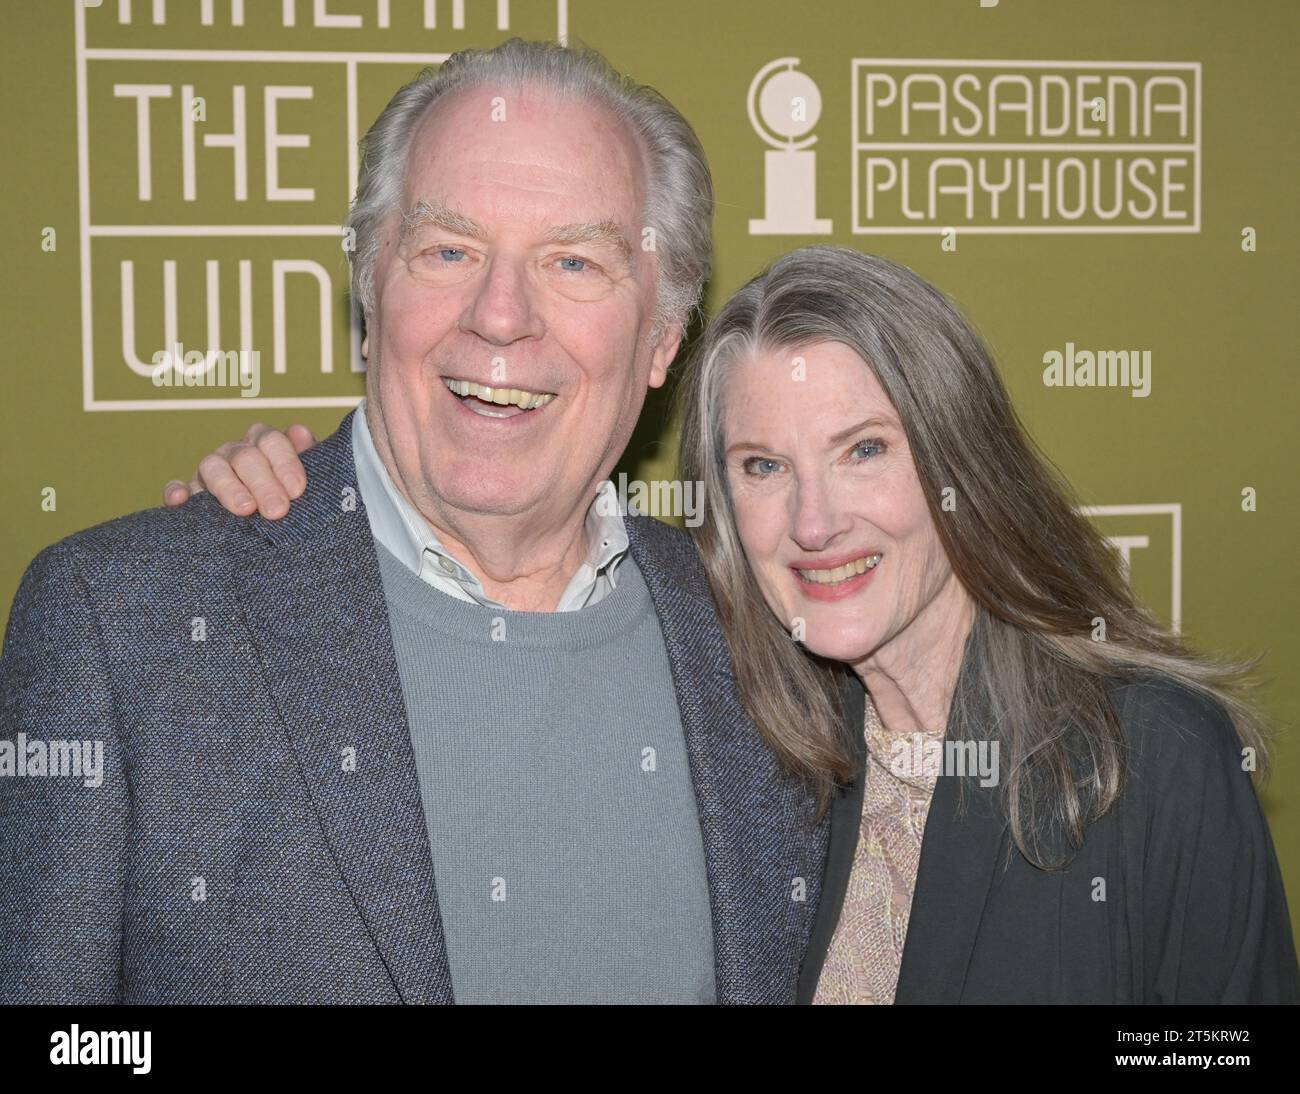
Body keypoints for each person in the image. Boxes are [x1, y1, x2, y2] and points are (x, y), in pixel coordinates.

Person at [188, 246, 1300, 1003]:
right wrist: (290, 508)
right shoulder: (757, 736)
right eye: (764, 466)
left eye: (865, 449)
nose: (815, 520)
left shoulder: (1143, 758)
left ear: (960, 456)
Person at [0, 39, 830, 1005]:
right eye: (449, 250)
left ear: (661, 340)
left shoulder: (771, 639)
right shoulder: (124, 623)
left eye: (573, 260)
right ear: (368, 289)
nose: (502, 315)